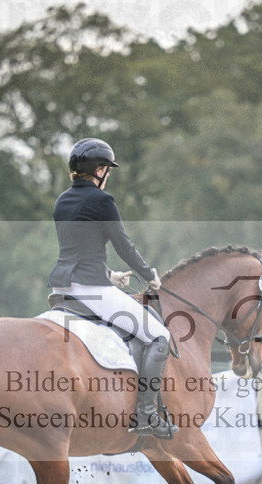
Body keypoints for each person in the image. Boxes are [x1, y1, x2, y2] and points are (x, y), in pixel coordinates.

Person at [49, 137, 178, 438]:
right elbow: (124, 244)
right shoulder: (101, 201)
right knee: (160, 334)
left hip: (63, 289)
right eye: (107, 169)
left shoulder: (62, 201)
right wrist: (149, 274)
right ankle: (146, 415)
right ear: (100, 170)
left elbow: (78, 249)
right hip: (91, 291)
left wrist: (110, 275)